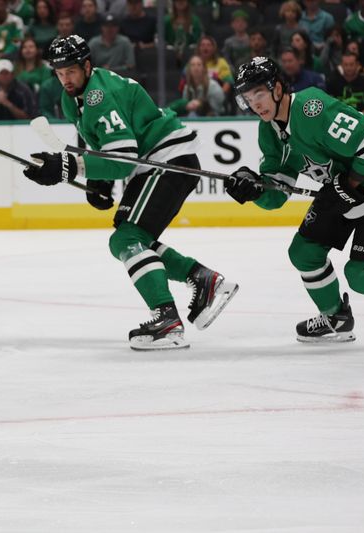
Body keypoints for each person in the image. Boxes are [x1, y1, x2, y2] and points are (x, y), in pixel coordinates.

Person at [22, 35, 238, 350]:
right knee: (131, 237)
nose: (65, 79)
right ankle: (204, 280)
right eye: (59, 72)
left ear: (86, 65)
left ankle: (168, 319)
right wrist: (99, 180)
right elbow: (106, 147)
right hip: (153, 162)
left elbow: (122, 159)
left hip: (167, 161)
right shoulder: (74, 98)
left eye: (70, 70)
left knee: (126, 240)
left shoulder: (99, 96)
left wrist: (69, 166)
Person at [227, 56, 364, 342]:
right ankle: (336, 317)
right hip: (343, 192)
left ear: (278, 88)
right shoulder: (268, 130)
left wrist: (350, 183)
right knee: (304, 252)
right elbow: (278, 192)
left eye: (259, 93)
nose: (255, 103)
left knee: (362, 277)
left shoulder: (311, 108)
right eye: (248, 97)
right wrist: (255, 189)